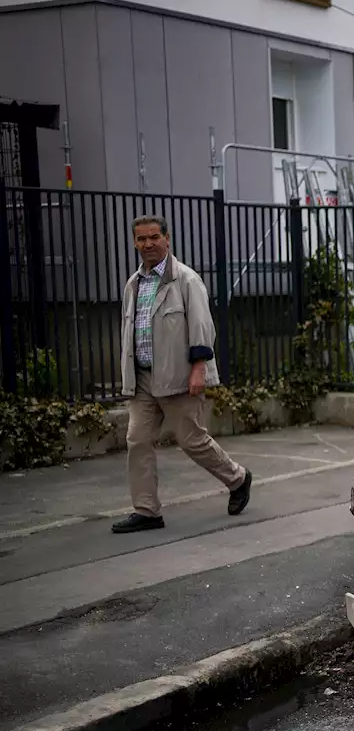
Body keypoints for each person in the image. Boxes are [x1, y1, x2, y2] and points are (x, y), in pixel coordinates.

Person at [111, 215, 251, 534]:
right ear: (134, 242)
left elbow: (202, 326)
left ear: (167, 238)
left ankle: (238, 479)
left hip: (178, 375)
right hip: (143, 379)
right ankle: (146, 511)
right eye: (141, 239)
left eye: (154, 237)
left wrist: (199, 368)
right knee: (137, 440)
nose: (148, 244)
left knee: (191, 440)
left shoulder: (186, 280)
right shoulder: (134, 284)